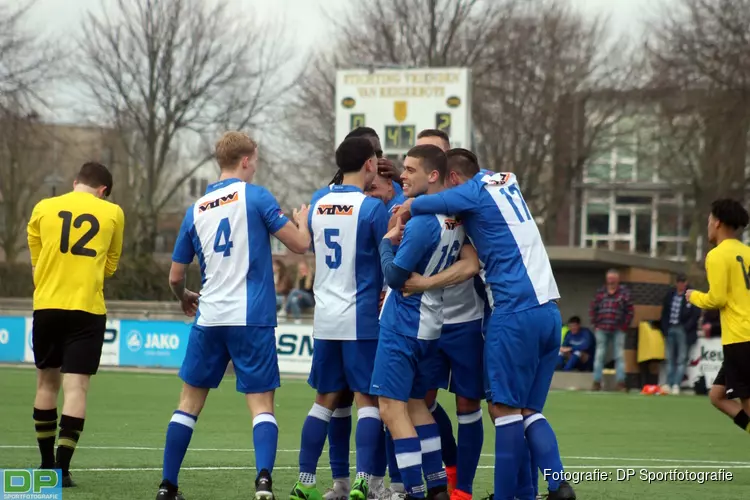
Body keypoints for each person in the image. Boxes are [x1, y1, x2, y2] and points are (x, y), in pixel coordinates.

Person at [396, 169, 576, 500]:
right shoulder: (506, 180)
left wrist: (407, 205)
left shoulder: (472, 192)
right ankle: (557, 484)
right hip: (549, 310)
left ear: (451, 176)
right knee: (529, 413)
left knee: (503, 413)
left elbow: (427, 204)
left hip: (513, 314)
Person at [156, 131, 311, 500]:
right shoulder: (256, 196)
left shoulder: (196, 209)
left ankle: (167, 485)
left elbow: (175, 276)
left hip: (209, 317)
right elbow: (300, 244)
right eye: (254, 160)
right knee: (261, 405)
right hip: (251, 317)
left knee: (188, 404)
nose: (255, 167)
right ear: (245, 160)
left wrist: (184, 297)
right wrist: (302, 220)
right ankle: (263, 483)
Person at [290, 136, 389, 500]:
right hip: (361, 318)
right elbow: (387, 260)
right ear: (368, 165)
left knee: (324, 399)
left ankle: (305, 480)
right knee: (367, 400)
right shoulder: (372, 209)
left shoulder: (317, 202)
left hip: (326, 317)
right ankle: (364, 479)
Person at [371, 144, 465, 500]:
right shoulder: (454, 218)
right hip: (431, 326)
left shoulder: (424, 223)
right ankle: (438, 487)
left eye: (410, 170)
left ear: (434, 175)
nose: (402, 176)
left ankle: (413, 490)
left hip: (403, 325)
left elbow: (396, 277)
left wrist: (386, 242)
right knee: (416, 406)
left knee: (390, 410)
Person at [26, 162, 124, 488]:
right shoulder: (113, 214)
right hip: (87, 308)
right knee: (76, 388)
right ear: (104, 191)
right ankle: (62, 468)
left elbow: (37, 261)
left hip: (48, 305)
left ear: (74, 182)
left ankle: (43, 465)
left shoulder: (43, 208)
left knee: (45, 385)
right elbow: (109, 267)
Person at [401, 146, 484, 500]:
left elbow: (471, 264)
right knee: (421, 401)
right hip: (425, 322)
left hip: (466, 321)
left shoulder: (463, 209)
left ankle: (462, 489)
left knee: (468, 405)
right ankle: (443, 471)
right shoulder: (411, 212)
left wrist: (427, 283)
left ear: (440, 171)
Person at [687, 199, 750, 440]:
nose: (708, 227)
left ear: (718, 222)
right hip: (744, 336)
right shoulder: (747, 253)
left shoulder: (716, 256)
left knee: (747, 403)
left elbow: (717, 299)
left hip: (741, 338)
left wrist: (694, 297)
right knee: (718, 396)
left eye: (709, 222)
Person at [589, 269, 633, 392]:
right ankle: (596, 382)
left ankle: (621, 383)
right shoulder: (601, 292)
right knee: (599, 355)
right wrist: (595, 324)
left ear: (618, 280)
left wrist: (625, 326)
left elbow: (630, 311)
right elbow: (593, 308)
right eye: (609, 278)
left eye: (613, 278)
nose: (611, 280)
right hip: (602, 328)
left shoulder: (624, 293)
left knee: (619, 356)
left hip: (618, 329)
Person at [659, 273, 700, 395]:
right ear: (676, 283)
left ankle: (676, 384)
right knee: (669, 357)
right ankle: (668, 383)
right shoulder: (670, 294)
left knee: (681, 358)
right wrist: (664, 328)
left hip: (683, 329)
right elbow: (664, 312)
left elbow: (695, 314)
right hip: (671, 328)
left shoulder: (691, 295)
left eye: (683, 282)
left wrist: (687, 327)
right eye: (679, 282)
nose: (681, 284)